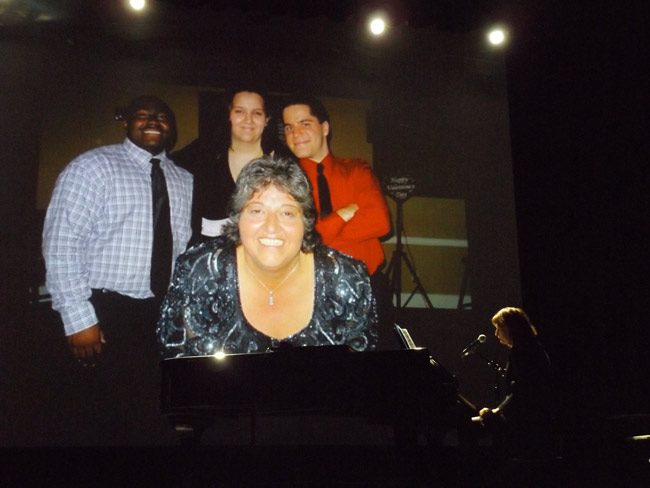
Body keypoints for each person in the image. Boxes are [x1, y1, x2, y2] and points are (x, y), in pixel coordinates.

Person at [42, 95, 193, 444]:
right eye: (143, 115)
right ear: (126, 122)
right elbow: (62, 242)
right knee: (94, 419)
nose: (153, 121)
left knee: (143, 415)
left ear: (172, 127)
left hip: (157, 315)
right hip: (104, 312)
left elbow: (182, 251)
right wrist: (79, 318)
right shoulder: (93, 166)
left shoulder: (184, 179)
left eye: (162, 116)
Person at [158, 155, 378, 356]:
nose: (271, 227)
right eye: (256, 211)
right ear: (237, 217)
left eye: (287, 213)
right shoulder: (200, 271)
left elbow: (357, 379)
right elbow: (175, 363)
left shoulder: (347, 279)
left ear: (306, 222)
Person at [281, 96, 393, 345]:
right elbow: (299, 240)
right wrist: (342, 215)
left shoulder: (356, 170)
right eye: (288, 127)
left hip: (368, 288)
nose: (295, 133)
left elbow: (380, 222)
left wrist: (319, 232)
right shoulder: (284, 183)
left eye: (304, 123)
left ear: (325, 128)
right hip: (308, 292)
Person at [173, 87, 285, 246]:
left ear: (267, 119)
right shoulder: (203, 152)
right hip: (210, 255)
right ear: (229, 114)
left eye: (257, 113)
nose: (248, 119)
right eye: (240, 111)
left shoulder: (282, 161)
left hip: (264, 252)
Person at [478, 307, 556, 462]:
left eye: (498, 328)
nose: (496, 334)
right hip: (539, 420)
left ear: (508, 328)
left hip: (530, 424)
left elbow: (521, 389)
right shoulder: (532, 347)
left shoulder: (522, 351)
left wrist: (496, 412)